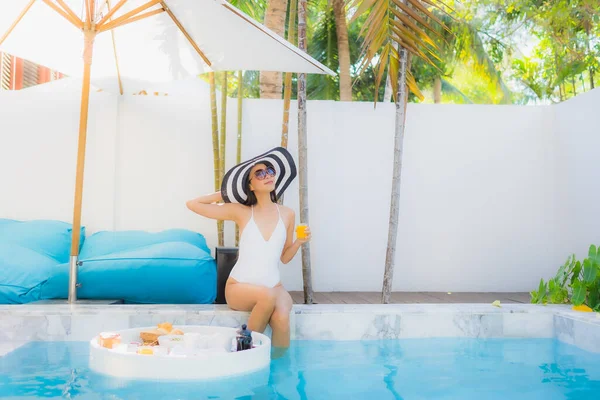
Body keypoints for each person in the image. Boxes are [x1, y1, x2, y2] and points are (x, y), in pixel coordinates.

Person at [186, 147, 310, 352]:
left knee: (281, 317)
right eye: (260, 174)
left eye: (270, 171)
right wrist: (226, 193)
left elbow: (285, 258)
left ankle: (279, 372)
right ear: (250, 185)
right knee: (267, 297)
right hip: (239, 288)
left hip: (274, 287)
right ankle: (243, 351)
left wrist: (298, 242)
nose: (268, 175)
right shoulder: (241, 212)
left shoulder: (287, 214)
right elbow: (193, 204)